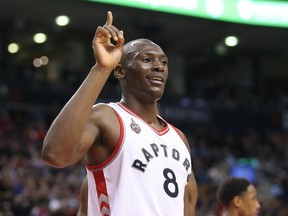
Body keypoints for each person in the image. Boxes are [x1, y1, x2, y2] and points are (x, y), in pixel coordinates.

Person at [42, 11, 197, 216]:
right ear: (121, 71)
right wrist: (101, 68)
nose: (159, 67)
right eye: (147, 59)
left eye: (164, 62)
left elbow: (185, 206)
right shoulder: (107, 117)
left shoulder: (179, 138)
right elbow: (55, 154)